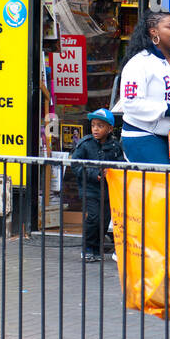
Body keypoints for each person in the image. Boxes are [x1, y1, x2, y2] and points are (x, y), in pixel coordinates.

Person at [116, 11, 170, 165]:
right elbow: (130, 103)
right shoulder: (138, 63)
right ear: (153, 31)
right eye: (169, 27)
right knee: (165, 183)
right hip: (142, 136)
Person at [70, 108, 122, 261]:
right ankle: (87, 247)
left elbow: (120, 164)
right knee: (93, 217)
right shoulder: (85, 144)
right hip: (90, 190)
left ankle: (97, 249)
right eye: (93, 125)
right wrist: (95, 174)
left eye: (100, 126)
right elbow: (76, 165)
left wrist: (113, 170)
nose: (96, 129)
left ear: (110, 128)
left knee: (104, 220)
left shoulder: (115, 146)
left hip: (108, 191)